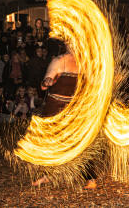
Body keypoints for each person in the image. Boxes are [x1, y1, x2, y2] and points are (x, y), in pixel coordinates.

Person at [32, 46, 97, 189]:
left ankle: (90, 178)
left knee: (80, 143)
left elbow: (92, 84)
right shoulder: (60, 61)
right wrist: (47, 81)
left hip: (74, 109)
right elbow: (47, 79)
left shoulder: (85, 62)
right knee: (51, 143)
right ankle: (46, 175)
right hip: (55, 107)